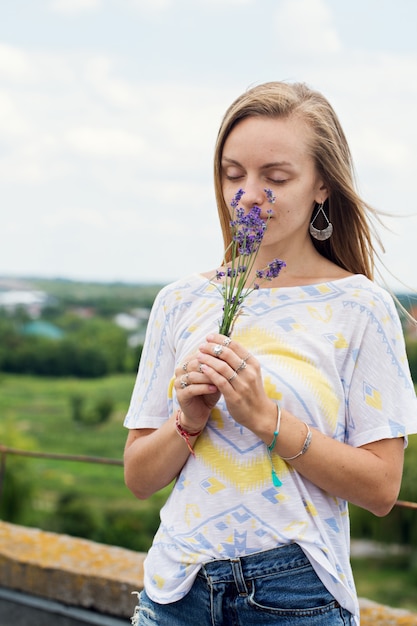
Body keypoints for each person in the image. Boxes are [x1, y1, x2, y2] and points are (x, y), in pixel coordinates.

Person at [123, 81, 417, 626]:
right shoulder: (181, 301)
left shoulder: (361, 306)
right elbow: (139, 478)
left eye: (275, 177)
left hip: (295, 594)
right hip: (174, 592)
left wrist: (267, 420)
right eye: (233, 174)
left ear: (322, 184)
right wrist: (187, 418)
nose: (249, 194)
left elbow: (381, 488)